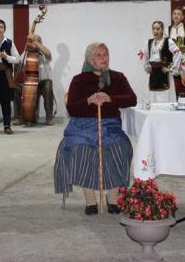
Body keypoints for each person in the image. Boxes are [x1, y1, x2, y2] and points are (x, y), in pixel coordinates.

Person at [54, 43, 137, 215]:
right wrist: (88, 101)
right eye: (99, 55)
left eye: (106, 54)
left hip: (110, 125)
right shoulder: (79, 80)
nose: (104, 58)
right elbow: (71, 108)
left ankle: (112, 197)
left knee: (120, 147)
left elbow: (132, 98)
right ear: (90, 59)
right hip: (82, 126)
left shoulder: (118, 77)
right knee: (80, 149)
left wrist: (110, 98)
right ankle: (90, 199)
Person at [142, 21, 182, 103]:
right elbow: (145, 55)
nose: (155, 31)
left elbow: (178, 53)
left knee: (164, 98)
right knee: (152, 98)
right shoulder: (148, 43)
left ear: (162, 30)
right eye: (153, 29)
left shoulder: (168, 42)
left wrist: (171, 69)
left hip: (164, 74)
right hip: (153, 74)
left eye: (158, 29)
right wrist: (146, 66)